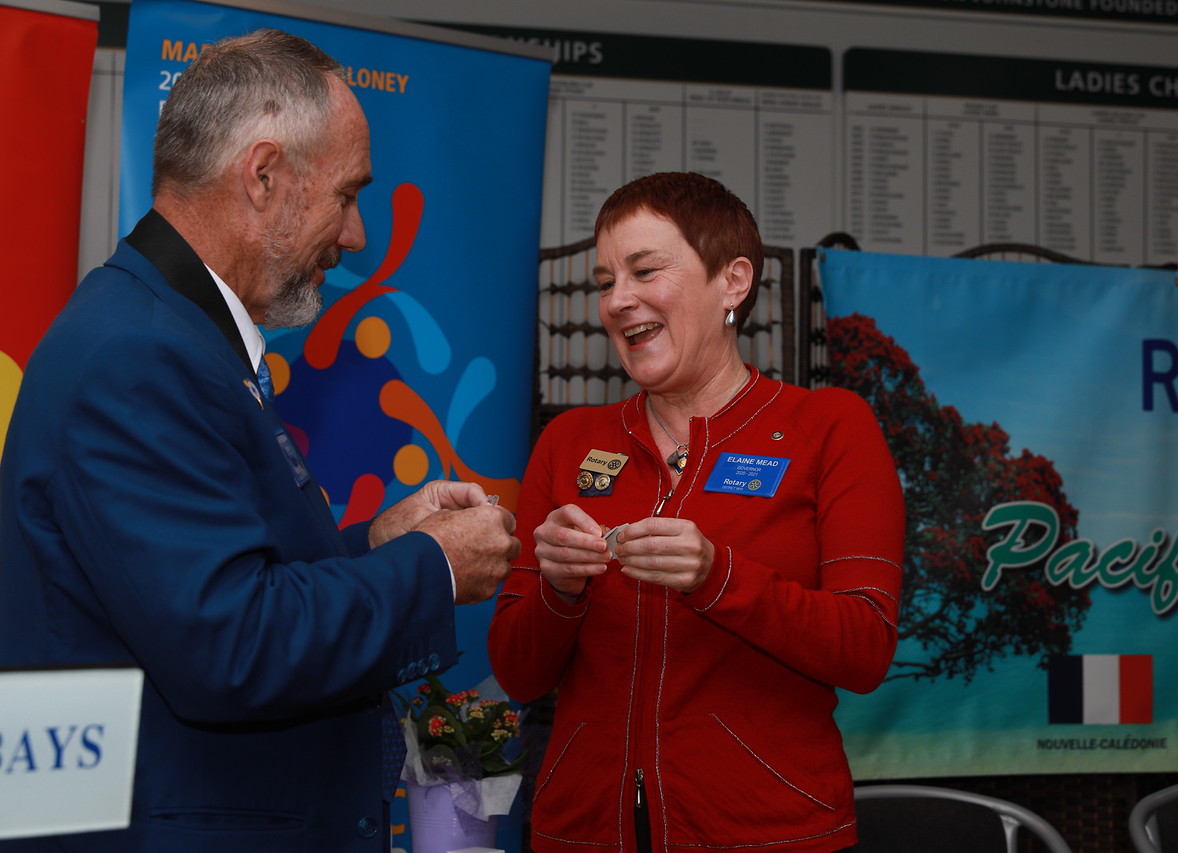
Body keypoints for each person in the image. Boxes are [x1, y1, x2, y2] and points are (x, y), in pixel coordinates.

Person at [0, 29, 518, 852]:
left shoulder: (168, 334)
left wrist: (375, 543)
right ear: (264, 175)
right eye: (347, 195)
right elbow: (232, 645)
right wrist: (435, 565)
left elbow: (213, 580)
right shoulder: (139, 355)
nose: (356, 235)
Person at [488, 172, 905, 853]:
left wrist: (719, 577)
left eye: (645, 270)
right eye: (604, 281)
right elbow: (518, 673)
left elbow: (864, 649)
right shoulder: (568, 442)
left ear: (732, 281)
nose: (617, 300)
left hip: (767, 832)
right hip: (583, 831)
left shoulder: (828, 427)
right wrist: (559, 591)